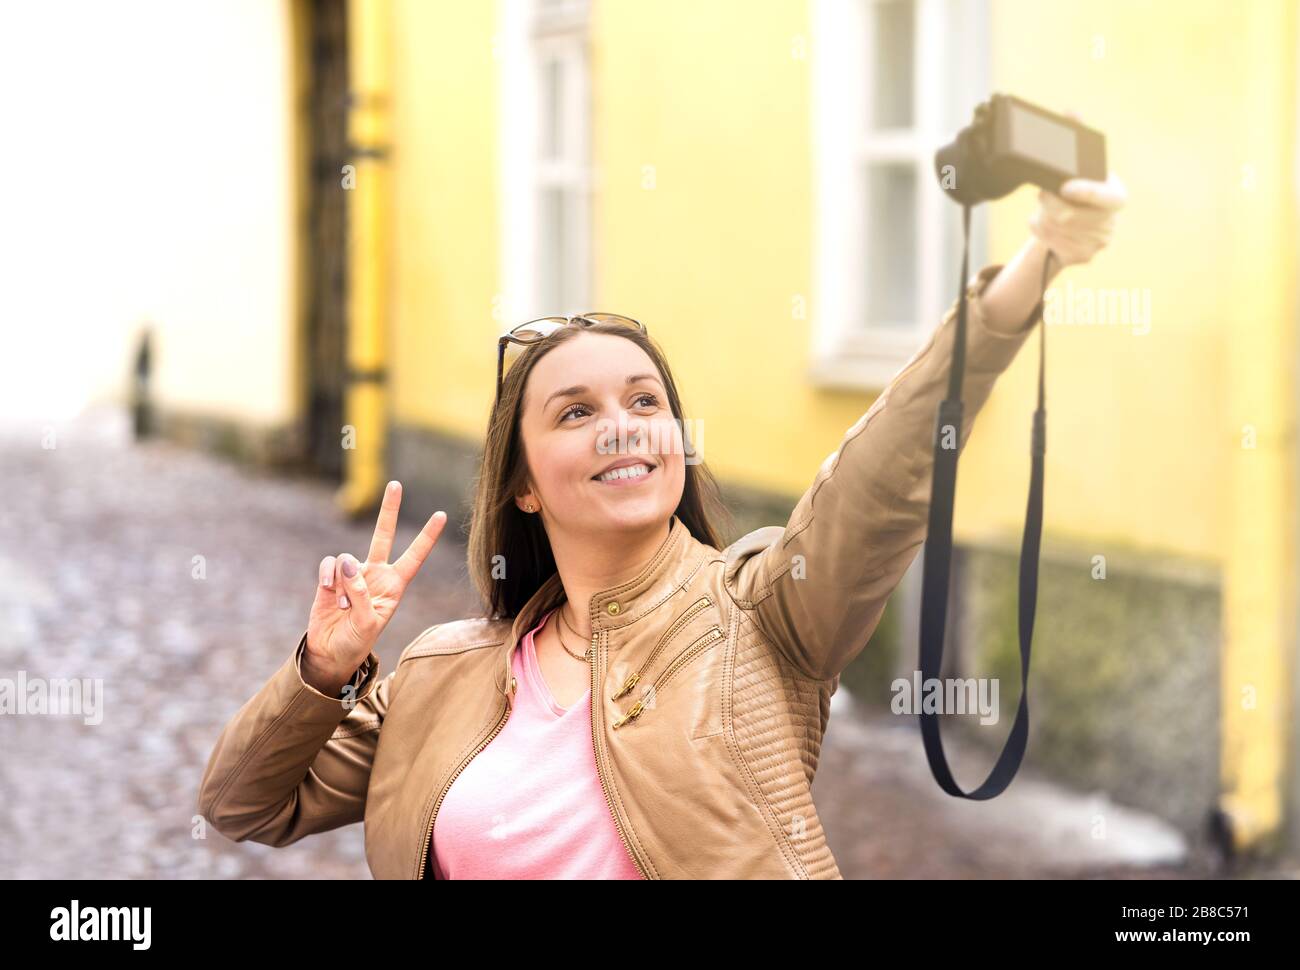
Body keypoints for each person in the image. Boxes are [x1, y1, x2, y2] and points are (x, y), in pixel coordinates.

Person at [197, 170, 1126, 879]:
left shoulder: (764, 615)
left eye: (645, 399)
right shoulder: (442, 672)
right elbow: (243, 805)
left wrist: (1030, 273)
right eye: (575, 411)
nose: (623, 424)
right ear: (521, 484)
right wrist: (323, 669)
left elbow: (883, 477)